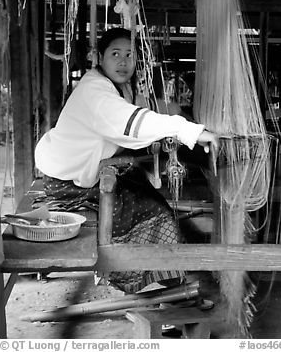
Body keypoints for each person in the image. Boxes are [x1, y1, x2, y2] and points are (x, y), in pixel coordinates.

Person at [35, 27, 218, 293]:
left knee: (142, 188)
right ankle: (155, 288)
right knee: (154, 212)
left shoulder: (113, 86)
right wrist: (189, 130)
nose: (123, 61)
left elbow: (142, 106)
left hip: (77, 170)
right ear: (100, 57)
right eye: (115, 54)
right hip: (67, 182)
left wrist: (180, 113)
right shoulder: (95, 92)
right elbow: (129, 120)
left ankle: (161, 281)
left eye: (130, 55)